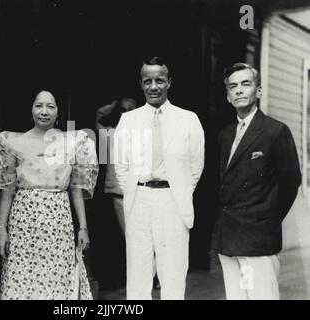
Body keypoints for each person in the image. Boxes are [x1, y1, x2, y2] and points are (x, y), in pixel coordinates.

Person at [0, 90, 98, 300]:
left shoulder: (72, 143)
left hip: (58, 223)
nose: (44, 111)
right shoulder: (14, 142)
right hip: (23, 224)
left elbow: (75, 188)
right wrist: (1, 229)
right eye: (39, 105)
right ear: (31, 111)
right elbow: (8, 189)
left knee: (56, 282)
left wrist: (83, 227)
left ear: (58, 112)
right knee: (22, 280)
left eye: (50, 106)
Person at [113, 56, 205, 299]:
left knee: (173, 274)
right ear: (141, 83)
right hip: (139, 200)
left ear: (169, 82)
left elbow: (196, 166)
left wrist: (179, 191)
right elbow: (121, 166)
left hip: (173, 200)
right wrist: (137, 190)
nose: (154, 86)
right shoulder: (128, 120)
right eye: (148, 81)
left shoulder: (188, 119)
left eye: (159, 80)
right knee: (138, 274)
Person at [214, 63, 301, 300]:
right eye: (233, 86)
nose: (239, 90)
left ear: (258, 91)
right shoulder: (224, 135)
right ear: (228, 96)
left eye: (246, 84)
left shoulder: (275, 131)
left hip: (258, 238)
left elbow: (291, 181)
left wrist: (266, 218)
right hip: (228, 238)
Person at [96, 97, 137, 233]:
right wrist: (112, 105)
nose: (126, 113)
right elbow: (99, 116)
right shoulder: (110, 134)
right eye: (122, 110)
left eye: (130, 110)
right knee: (128, 236)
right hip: (119, 193)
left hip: (140, 193)